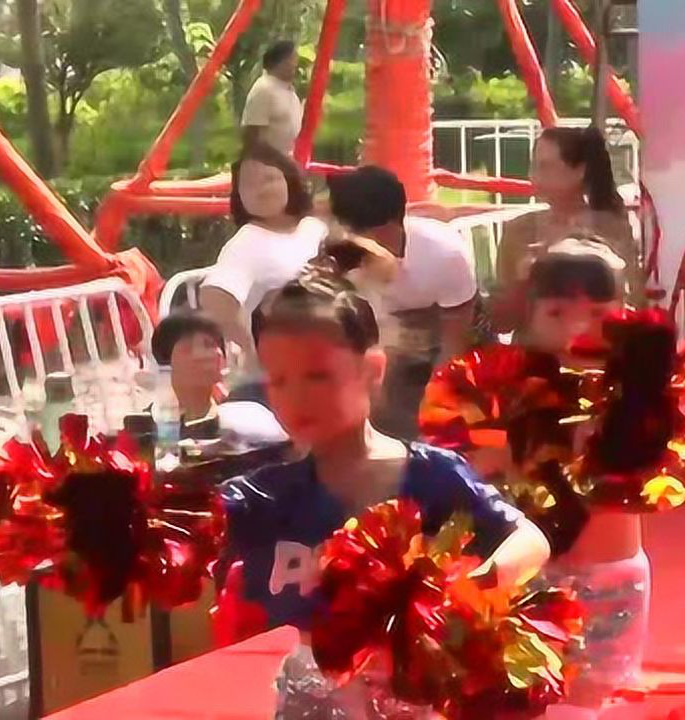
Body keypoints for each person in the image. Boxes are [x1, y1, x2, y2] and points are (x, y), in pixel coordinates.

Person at [218, 269, 550, 717]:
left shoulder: (433, 475)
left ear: (371, 369)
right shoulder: (264, 496)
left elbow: (530, 541)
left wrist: (468, 591)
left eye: (317, 376)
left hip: (409, 697)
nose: (296, 397)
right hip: (311, 700)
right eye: (278, 380)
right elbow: (195, 528)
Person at [520, 239, 651, 718]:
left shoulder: (637, 389)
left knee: (583, 702)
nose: (577, 329)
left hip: (612, 578)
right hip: (533, 576)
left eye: (598, 314)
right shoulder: (502, 388)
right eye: (557, 313)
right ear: (529, 315)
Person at [327, 166, 478, 440]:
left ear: (388, 227)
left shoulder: (445, 254)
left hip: (444, 328)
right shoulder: (337, 256)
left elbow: (453, 342)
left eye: (358, 231)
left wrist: (433, 404)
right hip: (381, 340)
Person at [200, 143, 328, 402]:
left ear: (289, 181)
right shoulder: (246, 241)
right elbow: (215, 298)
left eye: (269, 179)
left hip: (328, 352)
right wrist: (251, 348)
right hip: (280, 371)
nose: (261, 189)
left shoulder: (314, 228)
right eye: (248, 184)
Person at [492, 127, 646, 332]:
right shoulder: (519, 231)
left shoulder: (612, 230)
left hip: (597, 346)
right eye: (534, 167)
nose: (533, 177)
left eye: (545, 167)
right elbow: (499, 324)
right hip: (534, 351)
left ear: (579, 171)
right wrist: (523, 282)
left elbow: (635, 305)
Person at [151, 311, 287, 445]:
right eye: (187, 348)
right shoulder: (152, 429)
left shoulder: (252, 417)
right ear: (165, 364)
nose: (200, 355)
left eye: (209, 344)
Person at [241, 40, 304, 156]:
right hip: (263, 164)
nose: (296, 64)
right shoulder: (263, 90)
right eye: (292, 59)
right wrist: (284, 162)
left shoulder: (290, 92)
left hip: (285, 161)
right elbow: (252, 140)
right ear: (280, 62)